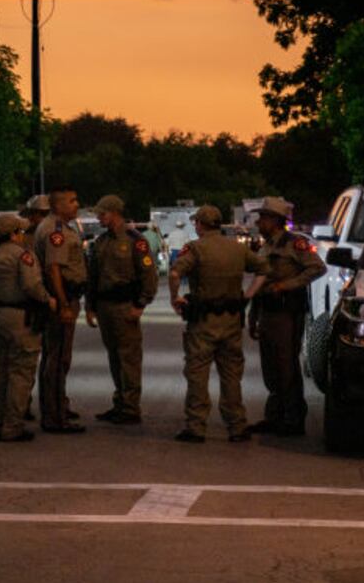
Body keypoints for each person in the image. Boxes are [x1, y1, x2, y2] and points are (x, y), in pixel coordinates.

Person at [167, 205, 268, 443]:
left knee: (198, 374)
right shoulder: (237, 249)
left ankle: (196, 426)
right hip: (232, 321)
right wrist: (248, 295)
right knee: (232, 375)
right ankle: (237, 425)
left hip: (203, 322)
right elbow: (264, 269)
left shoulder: (195, 249)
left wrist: (175, 298)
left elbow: (174, 274)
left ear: (200, 224)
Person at [246, 197, 326, 437]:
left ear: (275, 220)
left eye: (263, 217)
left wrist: (286, 285)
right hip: (268, 311)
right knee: (270, 367)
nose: (259, 222)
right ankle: (275, 416)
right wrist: (253, 317)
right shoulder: (265, 245)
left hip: (287, 312)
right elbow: (260, 282)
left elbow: (317, 268)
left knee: (286, 365)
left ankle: (293, 418)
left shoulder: (295, 244)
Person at [0, 214, 56, 442]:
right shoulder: (23, 256)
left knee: (0, 375)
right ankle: (12, 426)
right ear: (14, 233)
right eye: (21, 232)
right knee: (21, 373)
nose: (23, 236)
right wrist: (48, 300)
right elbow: (31, 286)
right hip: (20, 318)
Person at [85, 194, 158, 424]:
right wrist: (90, 306)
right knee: (114, 358)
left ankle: (130, 407)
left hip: (125, 305)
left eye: (102, 214)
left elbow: (149, 275)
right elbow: (93, 276)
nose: (99, 218)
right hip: (105, 306)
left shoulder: (135, 240)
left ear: (115, 213)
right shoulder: (101, 242)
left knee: (129, 358)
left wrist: (140, 304)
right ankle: (120, 402)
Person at [34, 187, 88, 433]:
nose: (76, 204)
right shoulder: (55, 231)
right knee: (57, 360)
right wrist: (64, 303)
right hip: (61, 300)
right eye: (71, 201)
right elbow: (53, 269)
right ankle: (55, 418)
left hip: (61, 297)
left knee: (54, 358)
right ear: (57, 206)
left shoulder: (60, 227)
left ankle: (56, 410)